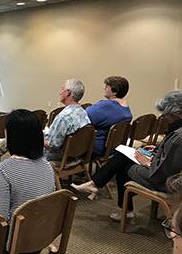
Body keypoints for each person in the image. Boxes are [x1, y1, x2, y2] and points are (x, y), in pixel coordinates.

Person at [72, 90, 182, 221]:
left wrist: (146, 162)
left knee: (122, 166)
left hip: (166, 181)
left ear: (177, 113)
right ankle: (96, 185)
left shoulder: (178, 136)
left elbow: (160, 172)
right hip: (170, 174)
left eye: (167, 114)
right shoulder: (177, 132)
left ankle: (122, 206)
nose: (165, 117)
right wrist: (158, 149)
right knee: (123, 157)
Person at [0, 78, 91, 162]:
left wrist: (36, 136)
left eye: (62, 89)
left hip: (52, 155)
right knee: (25, 133)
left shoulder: (64, 117)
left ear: (68, 93)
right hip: (74, 153)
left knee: (18, 135)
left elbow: (52, 145)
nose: (60, 92)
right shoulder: (83, 112)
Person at [0, 109, 55, 223]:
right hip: (43, 230)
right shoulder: (47, 165)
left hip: (15, 237)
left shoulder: (3, 169)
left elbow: (1, 220)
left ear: (11, 137)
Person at [86, 76, 133, 155]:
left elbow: (85, 117)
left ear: (114, 92)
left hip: (97, 148)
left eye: (107, 87)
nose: (104, 89)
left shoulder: (107, 106)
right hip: (113, 148)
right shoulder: (125, 107)